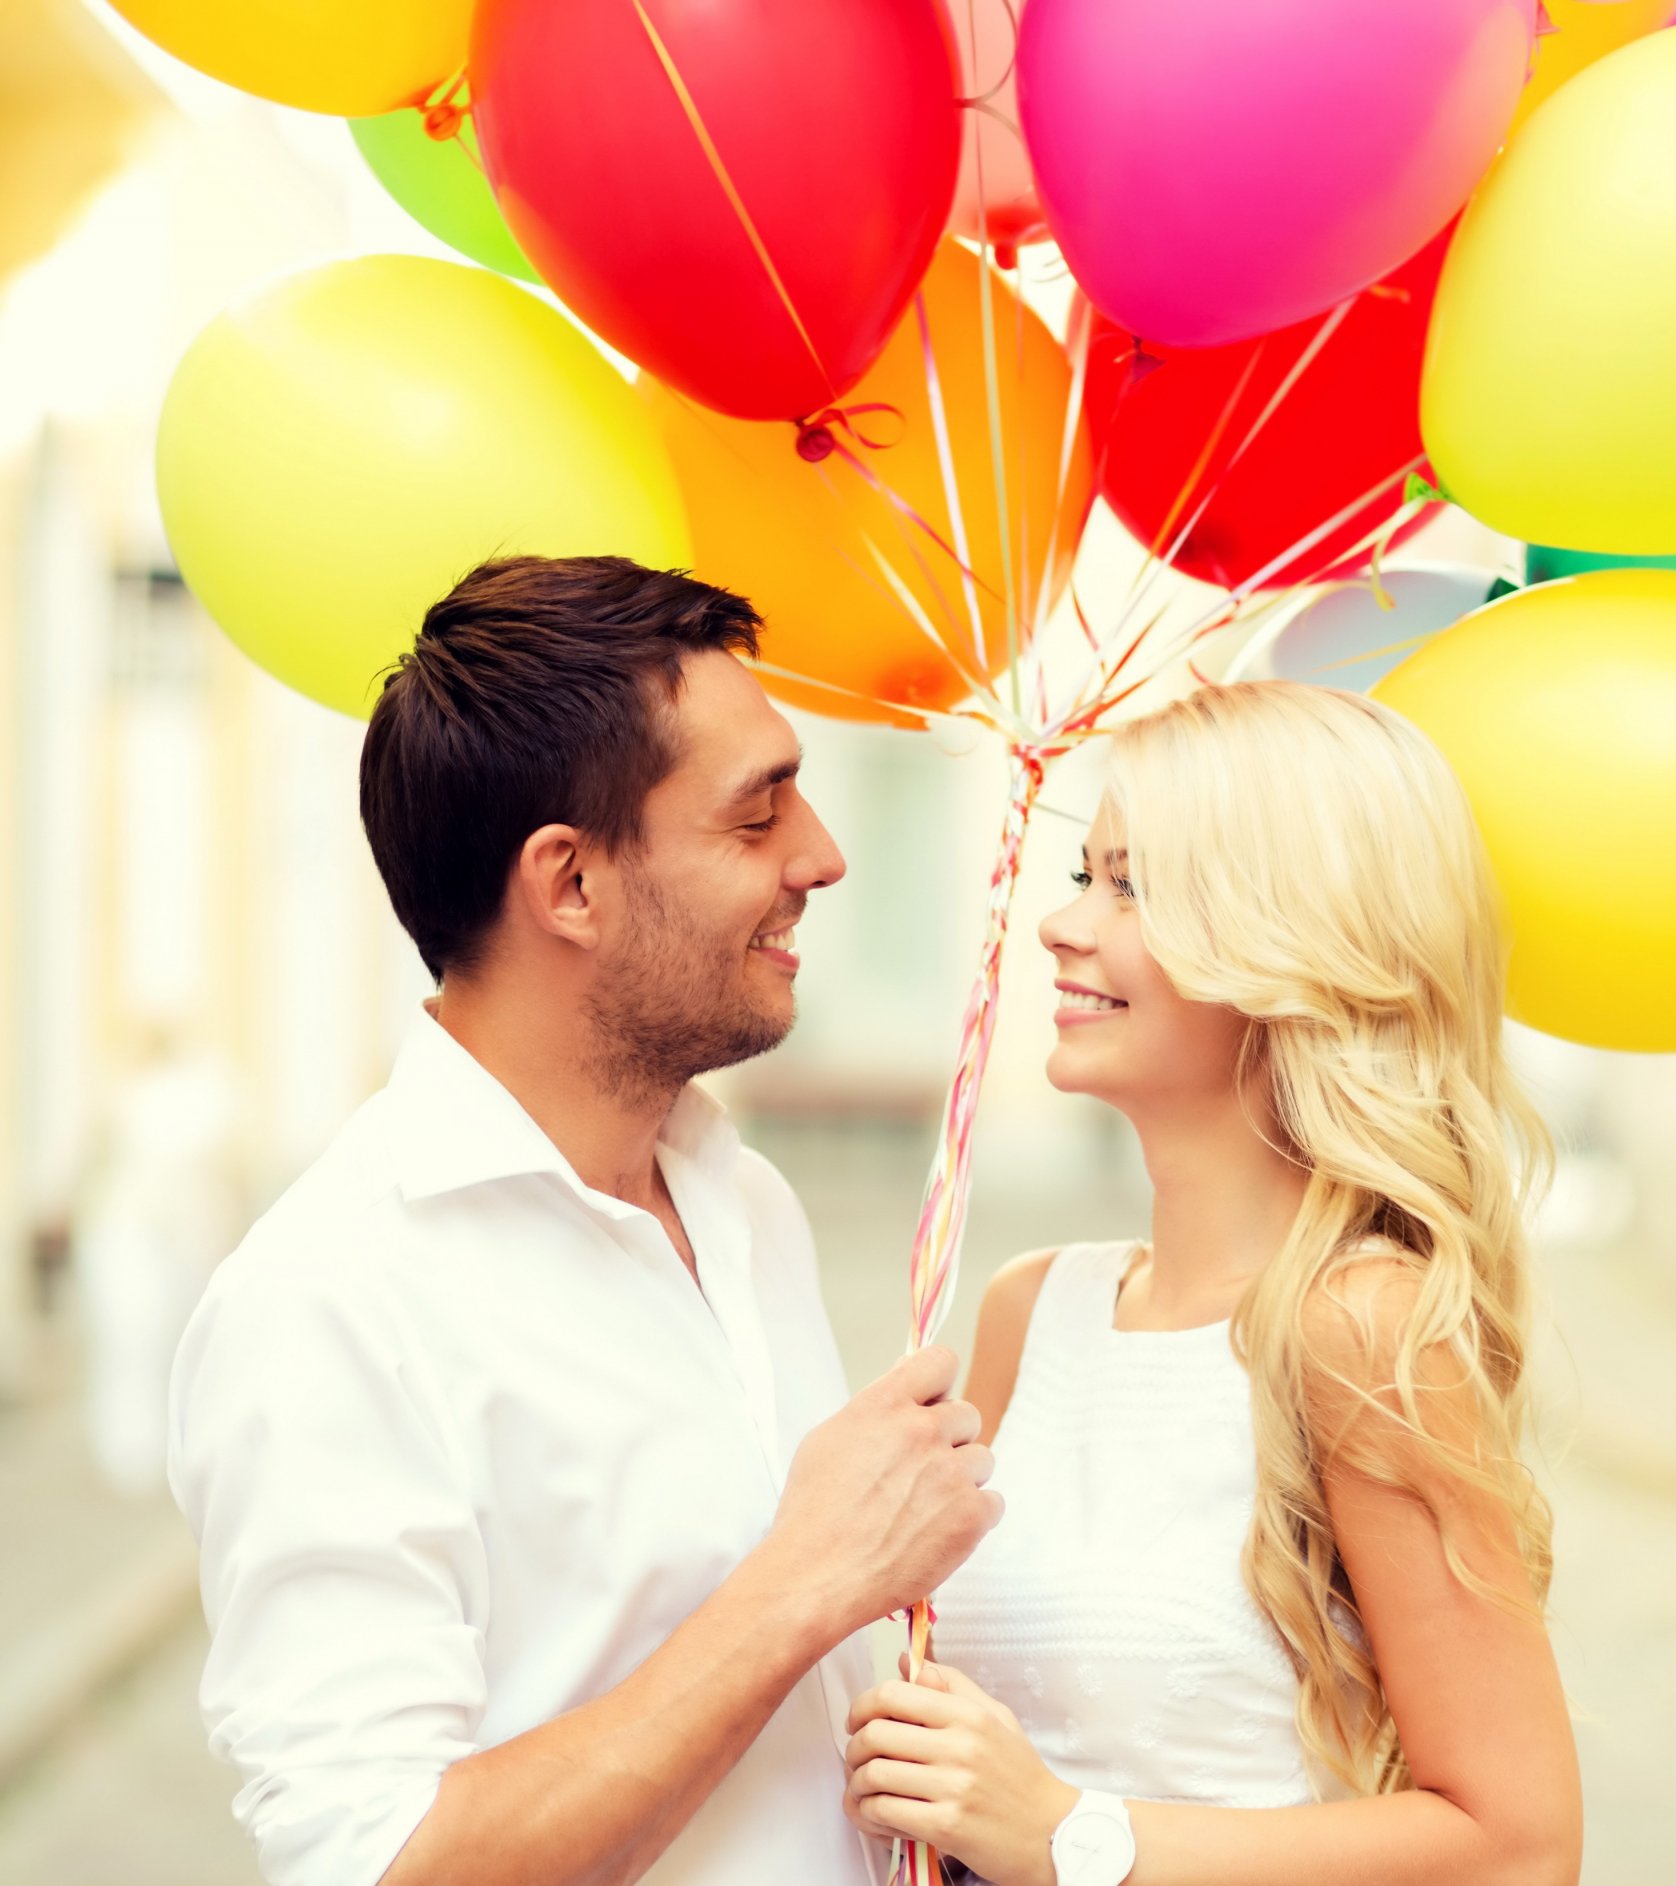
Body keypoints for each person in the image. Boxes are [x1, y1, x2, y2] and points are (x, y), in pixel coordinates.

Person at [167, 556, 1001, 1886]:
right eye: (755, 814)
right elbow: (380, 1860)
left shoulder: (746, 1200)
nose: (823, 856)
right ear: (569, 884)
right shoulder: (329, 1300)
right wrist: (808, 1580)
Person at [842, 681, 1583, 1886]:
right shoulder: (1031, 1310)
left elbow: (1517, 1842)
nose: (1064, 925)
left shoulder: (1354, 1323)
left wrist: (1071, 1833)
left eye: (1135, 886)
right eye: (1086, 875)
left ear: (1284, 941)